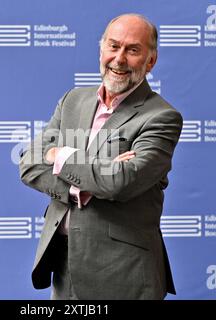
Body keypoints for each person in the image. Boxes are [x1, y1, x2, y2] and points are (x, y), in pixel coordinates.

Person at [19, 13, 183, 300]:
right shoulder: (72, 100)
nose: (119, 59)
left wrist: (60, 155)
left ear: (150, 61)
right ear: (101, 50)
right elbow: (30, 164)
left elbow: (122, 182)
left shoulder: (162, 117)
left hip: (124, 272)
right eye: (113, 46)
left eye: (133, 50)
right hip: (65, 266)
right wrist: (87, 182)